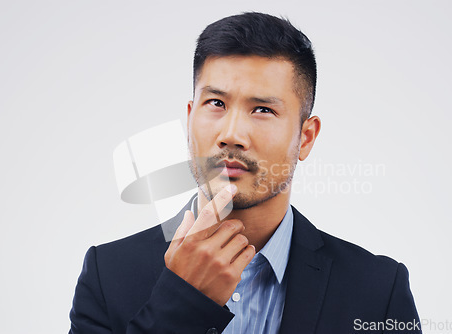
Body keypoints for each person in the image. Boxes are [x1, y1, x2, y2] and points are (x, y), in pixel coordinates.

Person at [69, 12, 422, 334]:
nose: (231, 134)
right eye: (216, 104)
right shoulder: (107, 275)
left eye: (263, 109)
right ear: (190, 118)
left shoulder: (377, 289)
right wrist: (181, 302)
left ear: (306, 137)